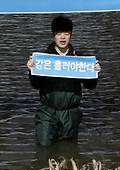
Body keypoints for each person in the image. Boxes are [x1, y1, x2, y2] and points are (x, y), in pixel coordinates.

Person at [27, 15, 101, 146]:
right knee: (44, 147)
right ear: (53, 36)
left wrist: (94, 72)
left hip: (70, 113)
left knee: (68, 151)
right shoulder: (44, 58)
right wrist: (31, 70)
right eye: (59, 34)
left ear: (71, 35)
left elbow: (91, 86)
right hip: (48, 112)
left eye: (66, 34)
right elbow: (35, 84)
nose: (62, 37)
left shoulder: (79, 58)